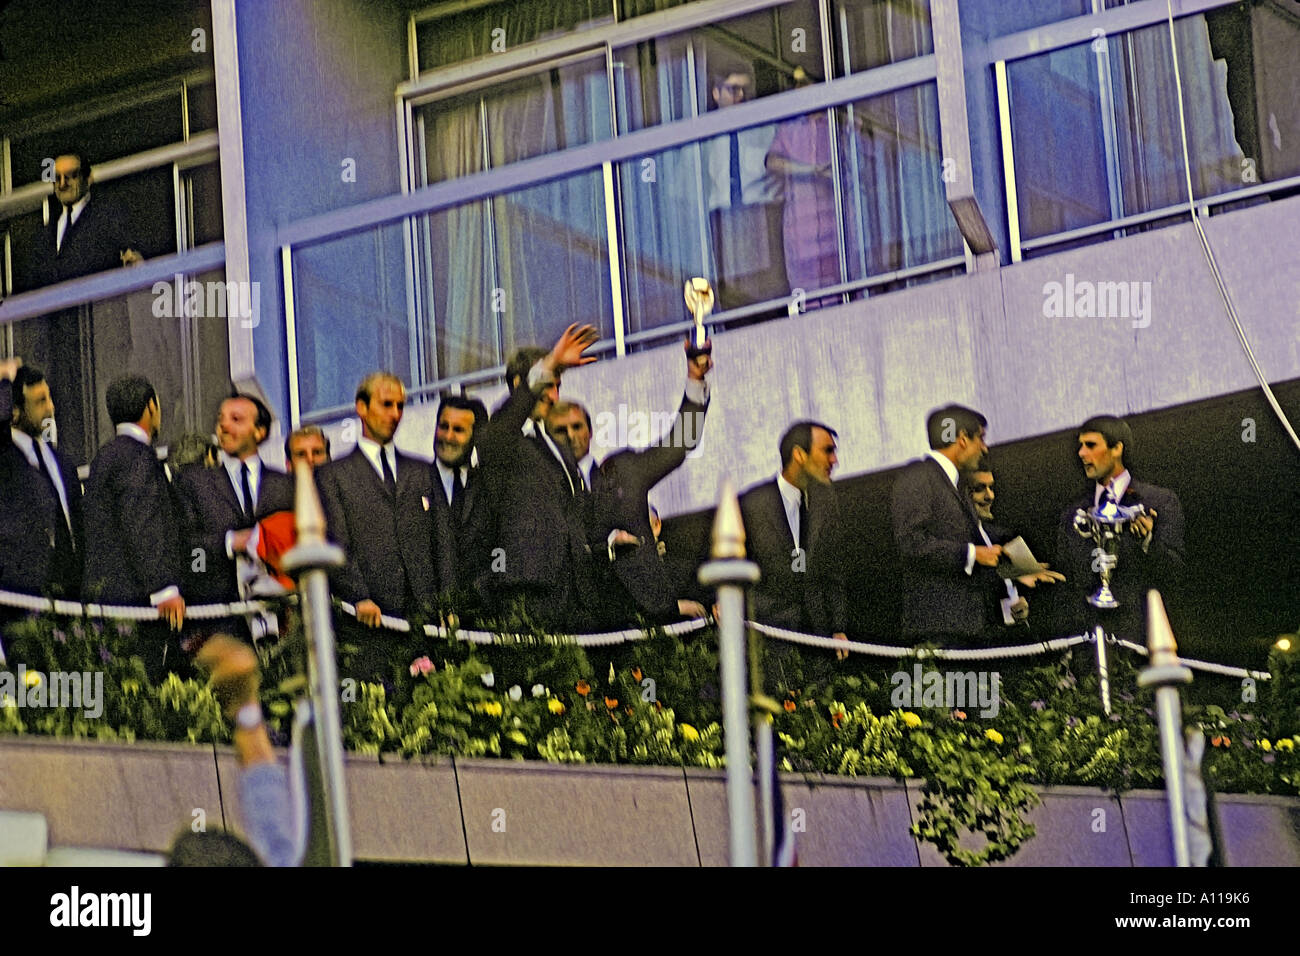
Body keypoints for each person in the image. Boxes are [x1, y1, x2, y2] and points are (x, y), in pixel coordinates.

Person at [474, 324, 600, 630]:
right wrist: (549, 363)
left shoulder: (556, 446)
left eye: (558, 386)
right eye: (548, 384)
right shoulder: (499, 437)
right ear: (521, 384)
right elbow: (507, 421)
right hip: (528, 593)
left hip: (575, 594)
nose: (554, 396)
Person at [583, 338, 713, 624]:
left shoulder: (620, 472)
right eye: (560, 429)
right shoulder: (543, 481)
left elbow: (679, 445)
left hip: (650, 619)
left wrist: (695, 380)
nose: (570, 435)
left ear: (590, 432)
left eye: (577, 426)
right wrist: (607, 543)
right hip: (584, 621)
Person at [315, 373, 442, 659]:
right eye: (386, 404)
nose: (395, 414)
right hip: (368, 622)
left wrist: (446, 602)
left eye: (400, 406)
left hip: (424, 619)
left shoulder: (421, 471)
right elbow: (336, 542)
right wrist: (358, 595)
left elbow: (440, 540)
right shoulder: (333, 476)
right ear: (362, 407)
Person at [81, 375, 186, 678]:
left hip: (108, 603)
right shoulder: (137, 457)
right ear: (150, 406)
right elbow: (142, 522)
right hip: (134, 606)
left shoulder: (105, 456)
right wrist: (164, 588)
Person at [1053, 415, 1185, 642]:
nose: (1082, 453)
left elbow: (1175, 574)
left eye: (1091, 445)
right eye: (1080, 446)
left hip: (1142, 641)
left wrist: (1148, 542)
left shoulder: (1159, 501)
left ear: (1117, 449)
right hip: (1087, 643)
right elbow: (1066, 586)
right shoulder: (1071, 515)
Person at [175, 395, 295, 625]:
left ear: (259, 432)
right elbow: (186, 551)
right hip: (217, 619)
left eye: (236, 419)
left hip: (282, 619)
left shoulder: (285, 485)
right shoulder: (194, 483)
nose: (224, 425)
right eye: (220, 419)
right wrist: (229, 543)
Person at [739, 420, 850, 669]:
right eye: (828, 451)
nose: (834, 461)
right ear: (799, 455)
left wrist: (838, 627)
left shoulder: (826, 500)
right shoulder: (752, 504)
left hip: (818, 642)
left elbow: (834, 568)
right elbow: (729, 566)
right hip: (767, 641)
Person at [890, 404, 1002, 648]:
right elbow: (911, 542)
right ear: (962, 439)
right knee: (935, 676)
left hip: (966, 629)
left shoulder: (956, 486)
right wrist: (972, 554)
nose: (984, 448)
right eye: (981, 438)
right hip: (936, 633)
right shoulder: (918, 476)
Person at [765, 68, 860, 310]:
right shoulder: (790, 127)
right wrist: (811, 171)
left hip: (835, 220)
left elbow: (862, 161)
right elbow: (772, 162)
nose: (798, 90)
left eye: (803, 84)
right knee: (806, 292)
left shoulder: (838, 121)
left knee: (842, 285)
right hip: (801, 225)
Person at [703, 62, 787, 311]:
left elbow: (780, 168)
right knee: (731, 291)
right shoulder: (704, 134)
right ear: (716, 93)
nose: (740, 96)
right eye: (733, 89)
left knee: (769, 288)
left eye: (744, 90)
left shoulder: (765, 126)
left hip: (762, 211)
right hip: (723, 216)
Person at [0, 359, 83, 600]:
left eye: (49, 398)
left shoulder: (62, 463)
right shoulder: (7, 463)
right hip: (24, 595)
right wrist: (4, 380)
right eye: (40, 402)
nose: (50, 408)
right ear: (15, 412)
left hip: (70, 595)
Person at [960, 458, 1062, 638]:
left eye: (991, 487)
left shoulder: (999, 536)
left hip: (1010, 637)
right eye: (980, 488)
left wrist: (1020, 604)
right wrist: (1012, 574)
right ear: (961, 493)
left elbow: (1013, 589)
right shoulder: (955, 542)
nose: (990, 496)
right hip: (974, 640)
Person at [20, 151, 144, 291]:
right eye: (57, 178)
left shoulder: (109, 217)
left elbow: (135, 263)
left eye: (70, 176)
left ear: (88, 178)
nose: (62, 184)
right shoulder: (44, 235)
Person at [430, 392, 492, 612]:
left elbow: (502, 552)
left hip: (483, 616)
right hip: (430, 618)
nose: (448, 436)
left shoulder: (489, 488)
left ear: (475, 437)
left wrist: (482, 589)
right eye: (443, 426)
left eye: (458, 430)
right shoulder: (414, 485)